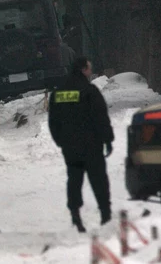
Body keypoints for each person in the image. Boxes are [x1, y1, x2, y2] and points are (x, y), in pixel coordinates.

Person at [48, 56, 114, 233]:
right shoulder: (89, 91)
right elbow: (101, 118)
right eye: (89, 68)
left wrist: (60, 141)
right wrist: (108, 139)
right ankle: (105, 214)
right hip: (92, 145)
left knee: (74, 179)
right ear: (83, 69)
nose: (91, 71)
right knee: (99, 179)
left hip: (70, 146)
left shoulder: (58, 92)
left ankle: (75, 214)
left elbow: (53, 121)